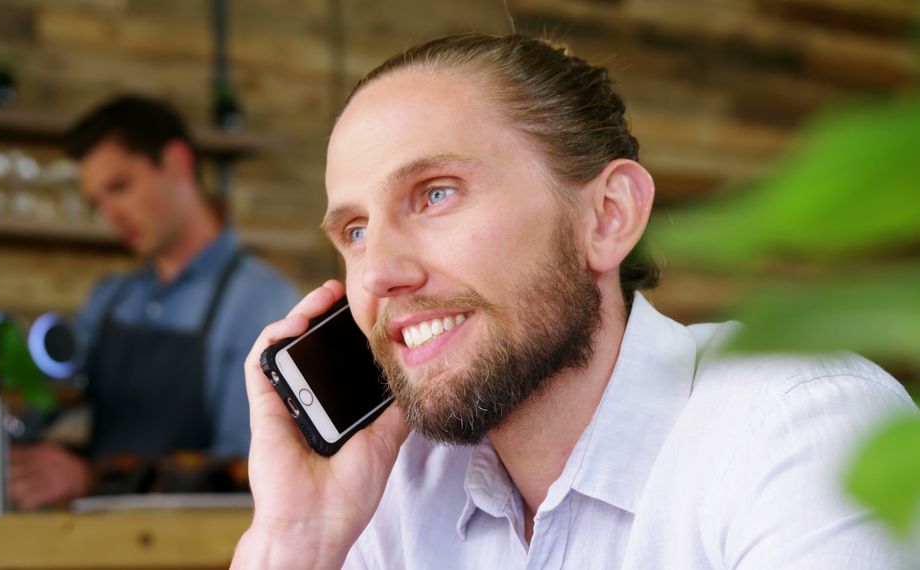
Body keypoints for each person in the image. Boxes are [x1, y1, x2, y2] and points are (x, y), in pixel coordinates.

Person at [231, 34, 916, 568]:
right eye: (354, 230)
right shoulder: (396, 492)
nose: (377, 272)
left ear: (608, 217)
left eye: (436, 193)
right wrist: (295, 542)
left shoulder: (798, 431)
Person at [8, 96, 299, 510]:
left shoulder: (261, 302)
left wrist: (89, 479)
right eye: (97, 203)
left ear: (177, 162)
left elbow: (248, 471)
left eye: (119, 187)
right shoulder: (110, 298)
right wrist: (9, 389)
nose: (110, 215)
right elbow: (37, 404)